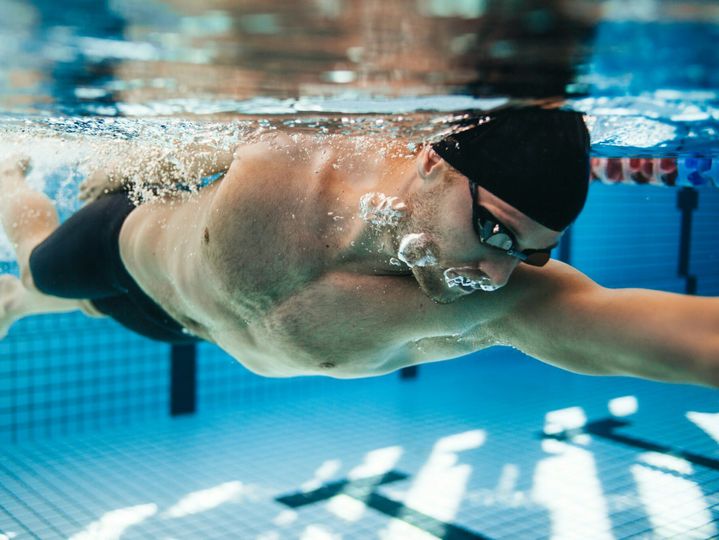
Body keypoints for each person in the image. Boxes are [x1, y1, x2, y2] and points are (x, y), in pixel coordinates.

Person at [1, 108, 717, 387]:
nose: (494, 271)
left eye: (529, 253)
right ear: (435, 163)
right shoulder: (289, 157)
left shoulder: (490, 306)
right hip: (126, 248)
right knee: (38, 261)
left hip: (179, 324)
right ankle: (8, 174)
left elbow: (684, 338)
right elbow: (171, 145)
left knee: (89, 308)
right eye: (495, 230)